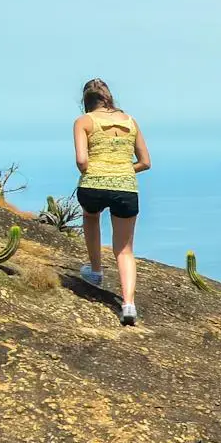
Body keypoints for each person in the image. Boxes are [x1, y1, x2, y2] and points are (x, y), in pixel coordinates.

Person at [72, 78, 151, 326]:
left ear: (86, 101)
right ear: (109, 97)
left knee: (91, 216)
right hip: (126, 188)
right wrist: (122, 170)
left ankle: (95, 271)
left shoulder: (83, 122)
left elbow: (82, 161)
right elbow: (145, 162)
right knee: (125, 249)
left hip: (93, 184)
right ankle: (128, 304)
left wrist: (99, 170)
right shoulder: (131, 121)